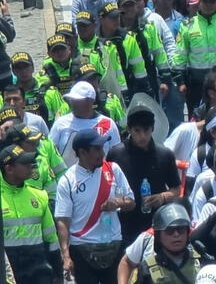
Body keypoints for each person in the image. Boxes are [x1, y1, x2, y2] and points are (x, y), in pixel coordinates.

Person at [55, 129, 135, 284]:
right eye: (97, 149)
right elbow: (63, 220)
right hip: (82, 248)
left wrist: (117, 203)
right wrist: (66, 256)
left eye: (102, 147)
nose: (102, 153)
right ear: (82, 152)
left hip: (113, 244)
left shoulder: (113, 170)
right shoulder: (67, 180)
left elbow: (131, 202)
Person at [106, 103, 181, 248]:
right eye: (137, 131)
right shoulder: (116, 154)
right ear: (129, 130)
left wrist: (162, 197)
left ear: (152, 129)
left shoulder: (164, 154)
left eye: (146, 130)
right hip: (124, 225)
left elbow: (176, 189)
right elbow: (107, 187)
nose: (142, 136)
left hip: (156, 224)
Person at [0, 141, 59, 284]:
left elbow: (51, 237)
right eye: (25, 164)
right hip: (8, 269)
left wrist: (58, 271)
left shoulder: (40, 195)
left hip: (38, 268)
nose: (31, 166)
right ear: (9, 169)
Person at [119, 204, 206, 284]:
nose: (176, 234)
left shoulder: (201, 262)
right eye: (169, 230)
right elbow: (126, 262)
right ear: (158, 235)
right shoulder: (146, 270)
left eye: (181, 229)